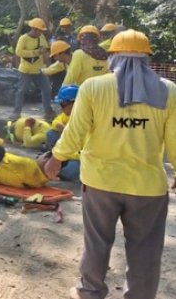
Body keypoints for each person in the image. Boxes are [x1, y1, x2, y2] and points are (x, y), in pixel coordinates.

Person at [44, 30, 176, 299]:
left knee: (97, 242)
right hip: (147, 187)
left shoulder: (94, 87)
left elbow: (75, 131)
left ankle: (90, 291)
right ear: (147, 60)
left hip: (100, 182)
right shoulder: (169, 91)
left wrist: (56, 159)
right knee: (145, 249)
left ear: (113, 57)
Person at [12, 18, 54, 120]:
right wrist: (34, 53)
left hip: (39, 69)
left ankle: (48, 111)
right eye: (39, 30)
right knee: (21, 91)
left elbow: (46, 49)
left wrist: (46, 56)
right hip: (26, 70)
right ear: (34, 29)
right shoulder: (24, 38)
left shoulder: (41, 37)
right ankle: (16, 112)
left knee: (47, 89)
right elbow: (18, 52)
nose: (41, 33)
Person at [41, 85, 80, 181]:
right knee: (51, 133)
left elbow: (83, 150)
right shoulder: (67, 115)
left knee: (69, 173)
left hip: (80, 157)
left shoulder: (87, 119)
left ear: (75, 103)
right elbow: (55, 122)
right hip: (69, 151)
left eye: (63, 105)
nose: (61, 108)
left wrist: (58, 158)